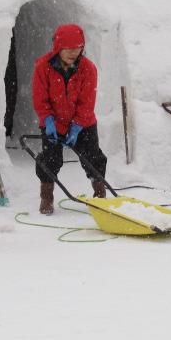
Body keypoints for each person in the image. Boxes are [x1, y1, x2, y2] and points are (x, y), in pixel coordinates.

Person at [31, 24, 107, 215]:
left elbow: (87, 101)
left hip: (83, 122)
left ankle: (100, 194)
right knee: (50, 159)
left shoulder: (88, 68)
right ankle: (46, 196)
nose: (74, 52)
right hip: (53, 121)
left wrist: (77, 126)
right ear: (58, 48)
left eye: (78, 48)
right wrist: (48, 120)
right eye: (69, 49)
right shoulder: (43, 67)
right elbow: (40, 98)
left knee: (93, 157)